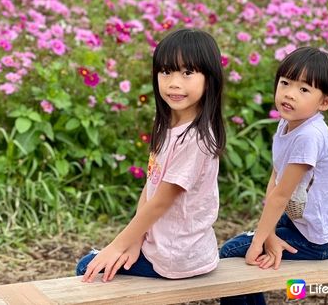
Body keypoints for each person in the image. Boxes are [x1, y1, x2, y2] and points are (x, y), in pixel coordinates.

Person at [76, 28, 226, 282]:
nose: (174, 83)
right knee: (102, 262)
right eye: (166, 71)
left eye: (187, 73)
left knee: (87, 267)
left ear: (209, 79)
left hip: (176, 256)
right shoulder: (168, 124)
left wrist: (116, 246)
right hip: (166, 246)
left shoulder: (196, 139)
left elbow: (160, 202)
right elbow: (151, 185)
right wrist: (133, 241)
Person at [219, 46, 328, 305]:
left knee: (231, 252)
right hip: (300, 223)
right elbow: (276, 179)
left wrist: (259, 242)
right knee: (246, 250)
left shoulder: (309, 136)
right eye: (285, 83)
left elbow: (280, 196)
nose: (290, 94)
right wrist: (267, 236)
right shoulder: (288, 124)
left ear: (324, 102)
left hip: (320, 239)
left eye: (304, 90)